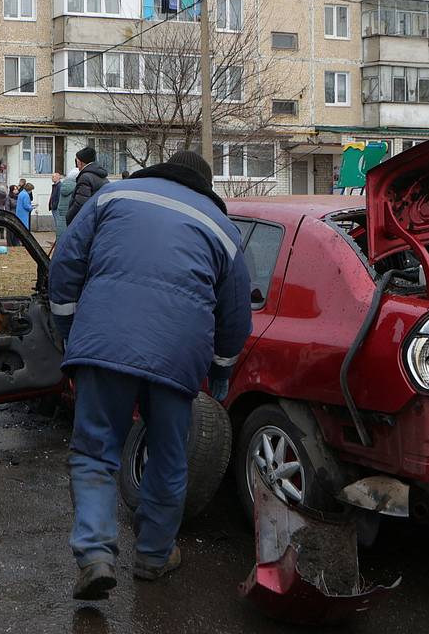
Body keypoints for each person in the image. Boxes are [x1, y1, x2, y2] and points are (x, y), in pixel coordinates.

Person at [49, 150, 252, 600]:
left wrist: (69, 328)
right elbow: (236, 315)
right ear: (205, 185)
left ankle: (96, 555)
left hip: (104, 343)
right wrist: (221, 370)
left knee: (95, 451)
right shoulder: (222, 228)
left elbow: (64, 265)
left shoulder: (112, 196)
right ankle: (154, 557)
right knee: (167, 455)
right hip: (178, 356)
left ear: (161, 170)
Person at [66, 147, 109, 225]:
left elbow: (80, 204)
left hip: (86, 223)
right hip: (99, 220)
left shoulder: (85, 177)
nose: (76, 163)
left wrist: (69, 218)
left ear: (81, 162)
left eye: (77, 160)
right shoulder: (102, 177)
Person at [53, 169, 78, 243]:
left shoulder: (63, 185)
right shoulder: (77, 187)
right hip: (71, 216)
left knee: (61, 235)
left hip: (62, 214)